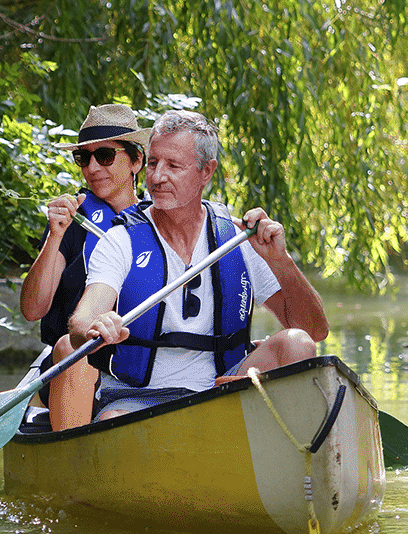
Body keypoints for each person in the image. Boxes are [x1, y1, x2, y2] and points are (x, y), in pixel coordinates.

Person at [67, 109, 328, 421]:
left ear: (207, 171)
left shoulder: (237, 239)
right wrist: (94, 327)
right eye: (153, 163)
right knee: (111, 422)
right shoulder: (120, 241)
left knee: (297, 344)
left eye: (173, 165)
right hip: (139, 398)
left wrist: (281, 262)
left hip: (223, 389)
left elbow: (314, 330)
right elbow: (80, 324)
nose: (157, 176)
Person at [19, 104, 150, 430]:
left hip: (146, 362)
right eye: (83, 158)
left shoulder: (159, 220)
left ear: (136, 161)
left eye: (105, 155)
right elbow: (33, 309)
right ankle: (73, 466)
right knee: (70, 347)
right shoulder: (71, 221)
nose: (92, 168)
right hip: (78, 363)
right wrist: (55, 236)